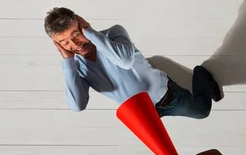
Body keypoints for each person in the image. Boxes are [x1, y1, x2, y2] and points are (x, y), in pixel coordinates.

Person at [44, 7, 222, 117]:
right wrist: (68, 61)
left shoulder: (113, 33)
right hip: (143, 115)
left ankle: (202, 74)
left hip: (168, 97)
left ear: (82, 24)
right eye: (65, 42)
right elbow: (78, 105)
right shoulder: (78, 70)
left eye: (76, 35)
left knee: (202, 111)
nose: (75, 44)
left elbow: (126, 61)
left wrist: (90, 32)